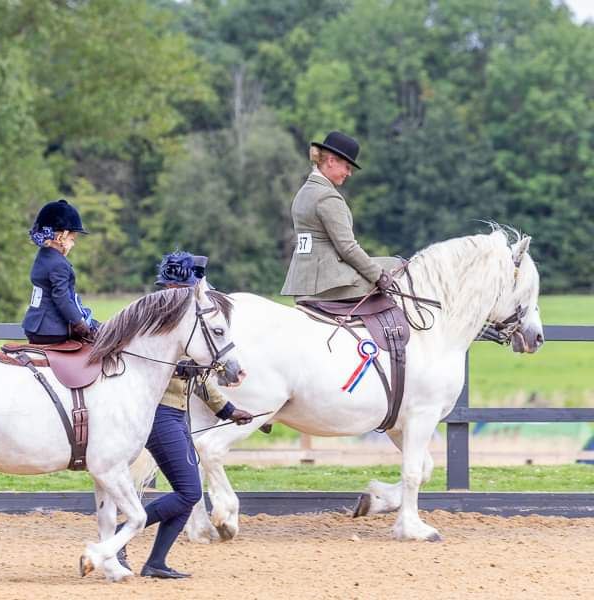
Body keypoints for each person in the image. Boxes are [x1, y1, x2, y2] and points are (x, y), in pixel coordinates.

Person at [117, 251, 254, 579]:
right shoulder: (151, 318)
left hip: (176, 415)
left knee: (186, 492)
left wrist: (229, 410)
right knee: (189, 492)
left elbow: (202, 376)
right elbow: (143, 361)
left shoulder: (182, 319)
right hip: (159, 413)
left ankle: (155, 562)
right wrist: (182, 366)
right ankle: (120, 535)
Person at [280, 131, 401, 302]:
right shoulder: (327, 197)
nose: (349, 173)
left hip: (301, 281)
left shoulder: (303, 192)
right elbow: (348, 248)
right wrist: (378, 276)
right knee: (398, 268)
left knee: (390, 265)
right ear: (331, 161)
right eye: (347, 167)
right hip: (327, 283)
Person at [22, 199, 95, 344]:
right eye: (72, 239)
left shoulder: (42, 256)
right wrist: (80, 324)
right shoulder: (59, 264)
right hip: (51, 330)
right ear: (61, 237)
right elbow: (61, 298)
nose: (73, 244)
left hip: (35, 325)